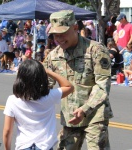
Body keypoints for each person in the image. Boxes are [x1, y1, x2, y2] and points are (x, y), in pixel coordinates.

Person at [43, 10, 113, 150]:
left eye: (63, 34)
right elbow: (45, 87)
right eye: (56, 35)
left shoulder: (96, 50)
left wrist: (85, 109)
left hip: (95, 114)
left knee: (96, 147)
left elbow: (102, 85)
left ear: (75, 28)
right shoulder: (53, 56)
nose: (59, 38)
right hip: (71, 116)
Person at [3, 59, 74, 150]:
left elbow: (7, 131)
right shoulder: (50, 96)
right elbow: (69, 86)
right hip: (44, 146)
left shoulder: (12, 100)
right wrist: (48, 71)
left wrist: (7, 148)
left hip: (23, 146)